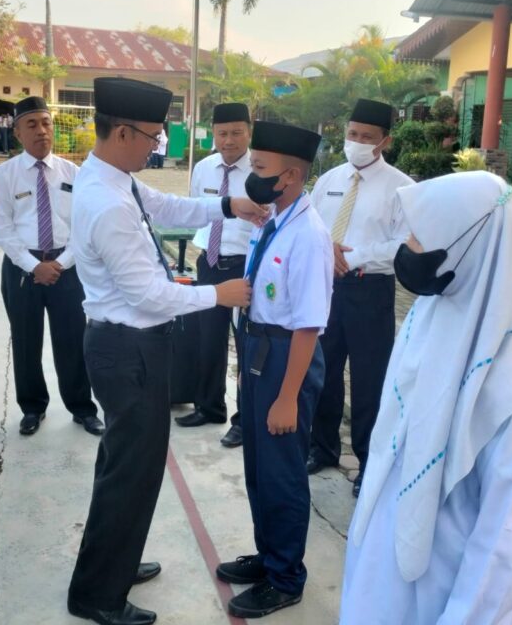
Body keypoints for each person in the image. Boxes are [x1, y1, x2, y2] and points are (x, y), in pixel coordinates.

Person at [341, 171, 512, 625]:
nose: (408, 247)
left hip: (443, 591)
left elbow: (508, 543)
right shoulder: (435, 310)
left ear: (466, 243)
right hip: (382, 563)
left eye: (421, 235)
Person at [67, 77, 262, 625]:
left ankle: (114, 562)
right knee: (131, 471)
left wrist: (231, 205)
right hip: (128, 349)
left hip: (126, 345)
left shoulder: (114, 179)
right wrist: (217, 294)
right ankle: (97, 594)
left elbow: (169, 206)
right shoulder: (107, 202)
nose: (157, 147)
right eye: (153, 137)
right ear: (122, 132)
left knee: (126, 467)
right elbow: (149, 296)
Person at [215, 120, 334, 619]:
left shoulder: (308, 234)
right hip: (258, 348)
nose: (252, 173)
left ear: (290, 176)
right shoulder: (273, 219)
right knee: (259, 466)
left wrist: (287, 398)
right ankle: (268, 556)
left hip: (287, 356)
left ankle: (285, 577)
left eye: (260, 167)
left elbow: (308, 326)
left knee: (282, 473)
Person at [306, 99, 413, 497]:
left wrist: (352, 257)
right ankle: (322, 447)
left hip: (370, 290)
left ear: (385, 141)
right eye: (353, 134)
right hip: (325, 288)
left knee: (370, 381)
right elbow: (312, 225)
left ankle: (369, 463)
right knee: (323, 371)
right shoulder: (329, 179)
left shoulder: (403, 187)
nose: (357, 142)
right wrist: (326, 251)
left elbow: (404, 243)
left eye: (367, 137)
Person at [0, 96, 103, 437]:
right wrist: (33, 266)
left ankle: (82, 407)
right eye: (32, 124)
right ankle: (32, 407)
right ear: (17, 132)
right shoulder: (5, 175)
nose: (41, 131)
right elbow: (3, 230)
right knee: (26, 342)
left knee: (73, 340)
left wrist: (59, 263)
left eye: (46, 123)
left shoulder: (74, 174)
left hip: (66, 269)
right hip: (21, 269)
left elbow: (83, 227)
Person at [176, 103, 254, 446]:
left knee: (247, 344)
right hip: (209, 261)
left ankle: (244, 420)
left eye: (237, 132)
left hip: (245, 265)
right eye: (222, 133)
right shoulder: (204, 168)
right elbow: (195, 209)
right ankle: (209, 407)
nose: (229, 140)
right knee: (208, 340)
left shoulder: (260, 171)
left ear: (249, 132)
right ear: (214, 134)